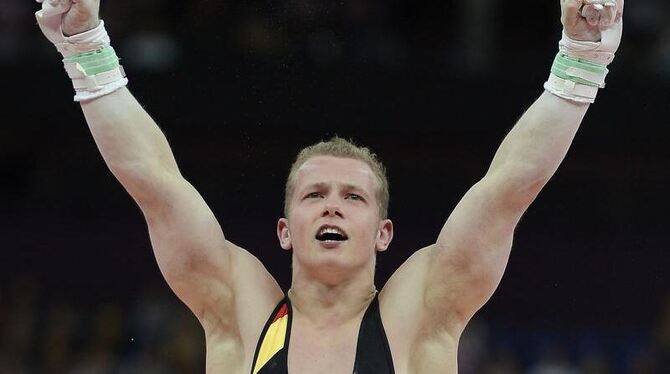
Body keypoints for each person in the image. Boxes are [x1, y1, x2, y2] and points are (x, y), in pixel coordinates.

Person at [33, 0, 624, 373]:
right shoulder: (241, 311)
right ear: (285, 230)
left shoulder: (421, 313)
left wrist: (580, 61)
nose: (332, 206)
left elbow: (507, 192)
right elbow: (156, 187)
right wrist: (86, 48)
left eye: (352, 197)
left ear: (384, 232)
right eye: (314, 195)